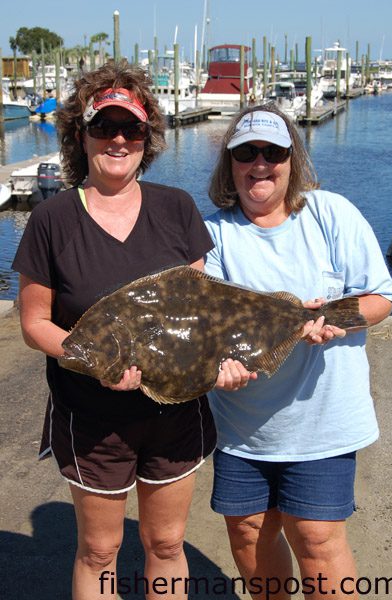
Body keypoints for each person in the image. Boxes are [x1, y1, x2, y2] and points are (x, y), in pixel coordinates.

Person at [12, 62, 218, 600]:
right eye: (104, 127)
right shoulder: (51, 219)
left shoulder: (177, 208)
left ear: (147, 138)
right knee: (99, 550)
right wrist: (95, 364)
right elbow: (34, 322)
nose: (118, 140)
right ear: (81, 136)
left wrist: (228, 361)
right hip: (91, 414)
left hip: (175, 411)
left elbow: (198, 315)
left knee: (167, 544)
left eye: (132, 128)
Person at [204, 104, 392, 600]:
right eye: (247, 152)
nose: (260, 163)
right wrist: (214, 366)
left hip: (323, 420)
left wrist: (336, 318)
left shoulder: (332, 213)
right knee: (247, 529)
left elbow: (381, 295)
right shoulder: (213, 235)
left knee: (316, 536)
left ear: (294, 160)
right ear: (230, 163)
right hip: (242, 424)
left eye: (274, 152)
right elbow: (204, 324)